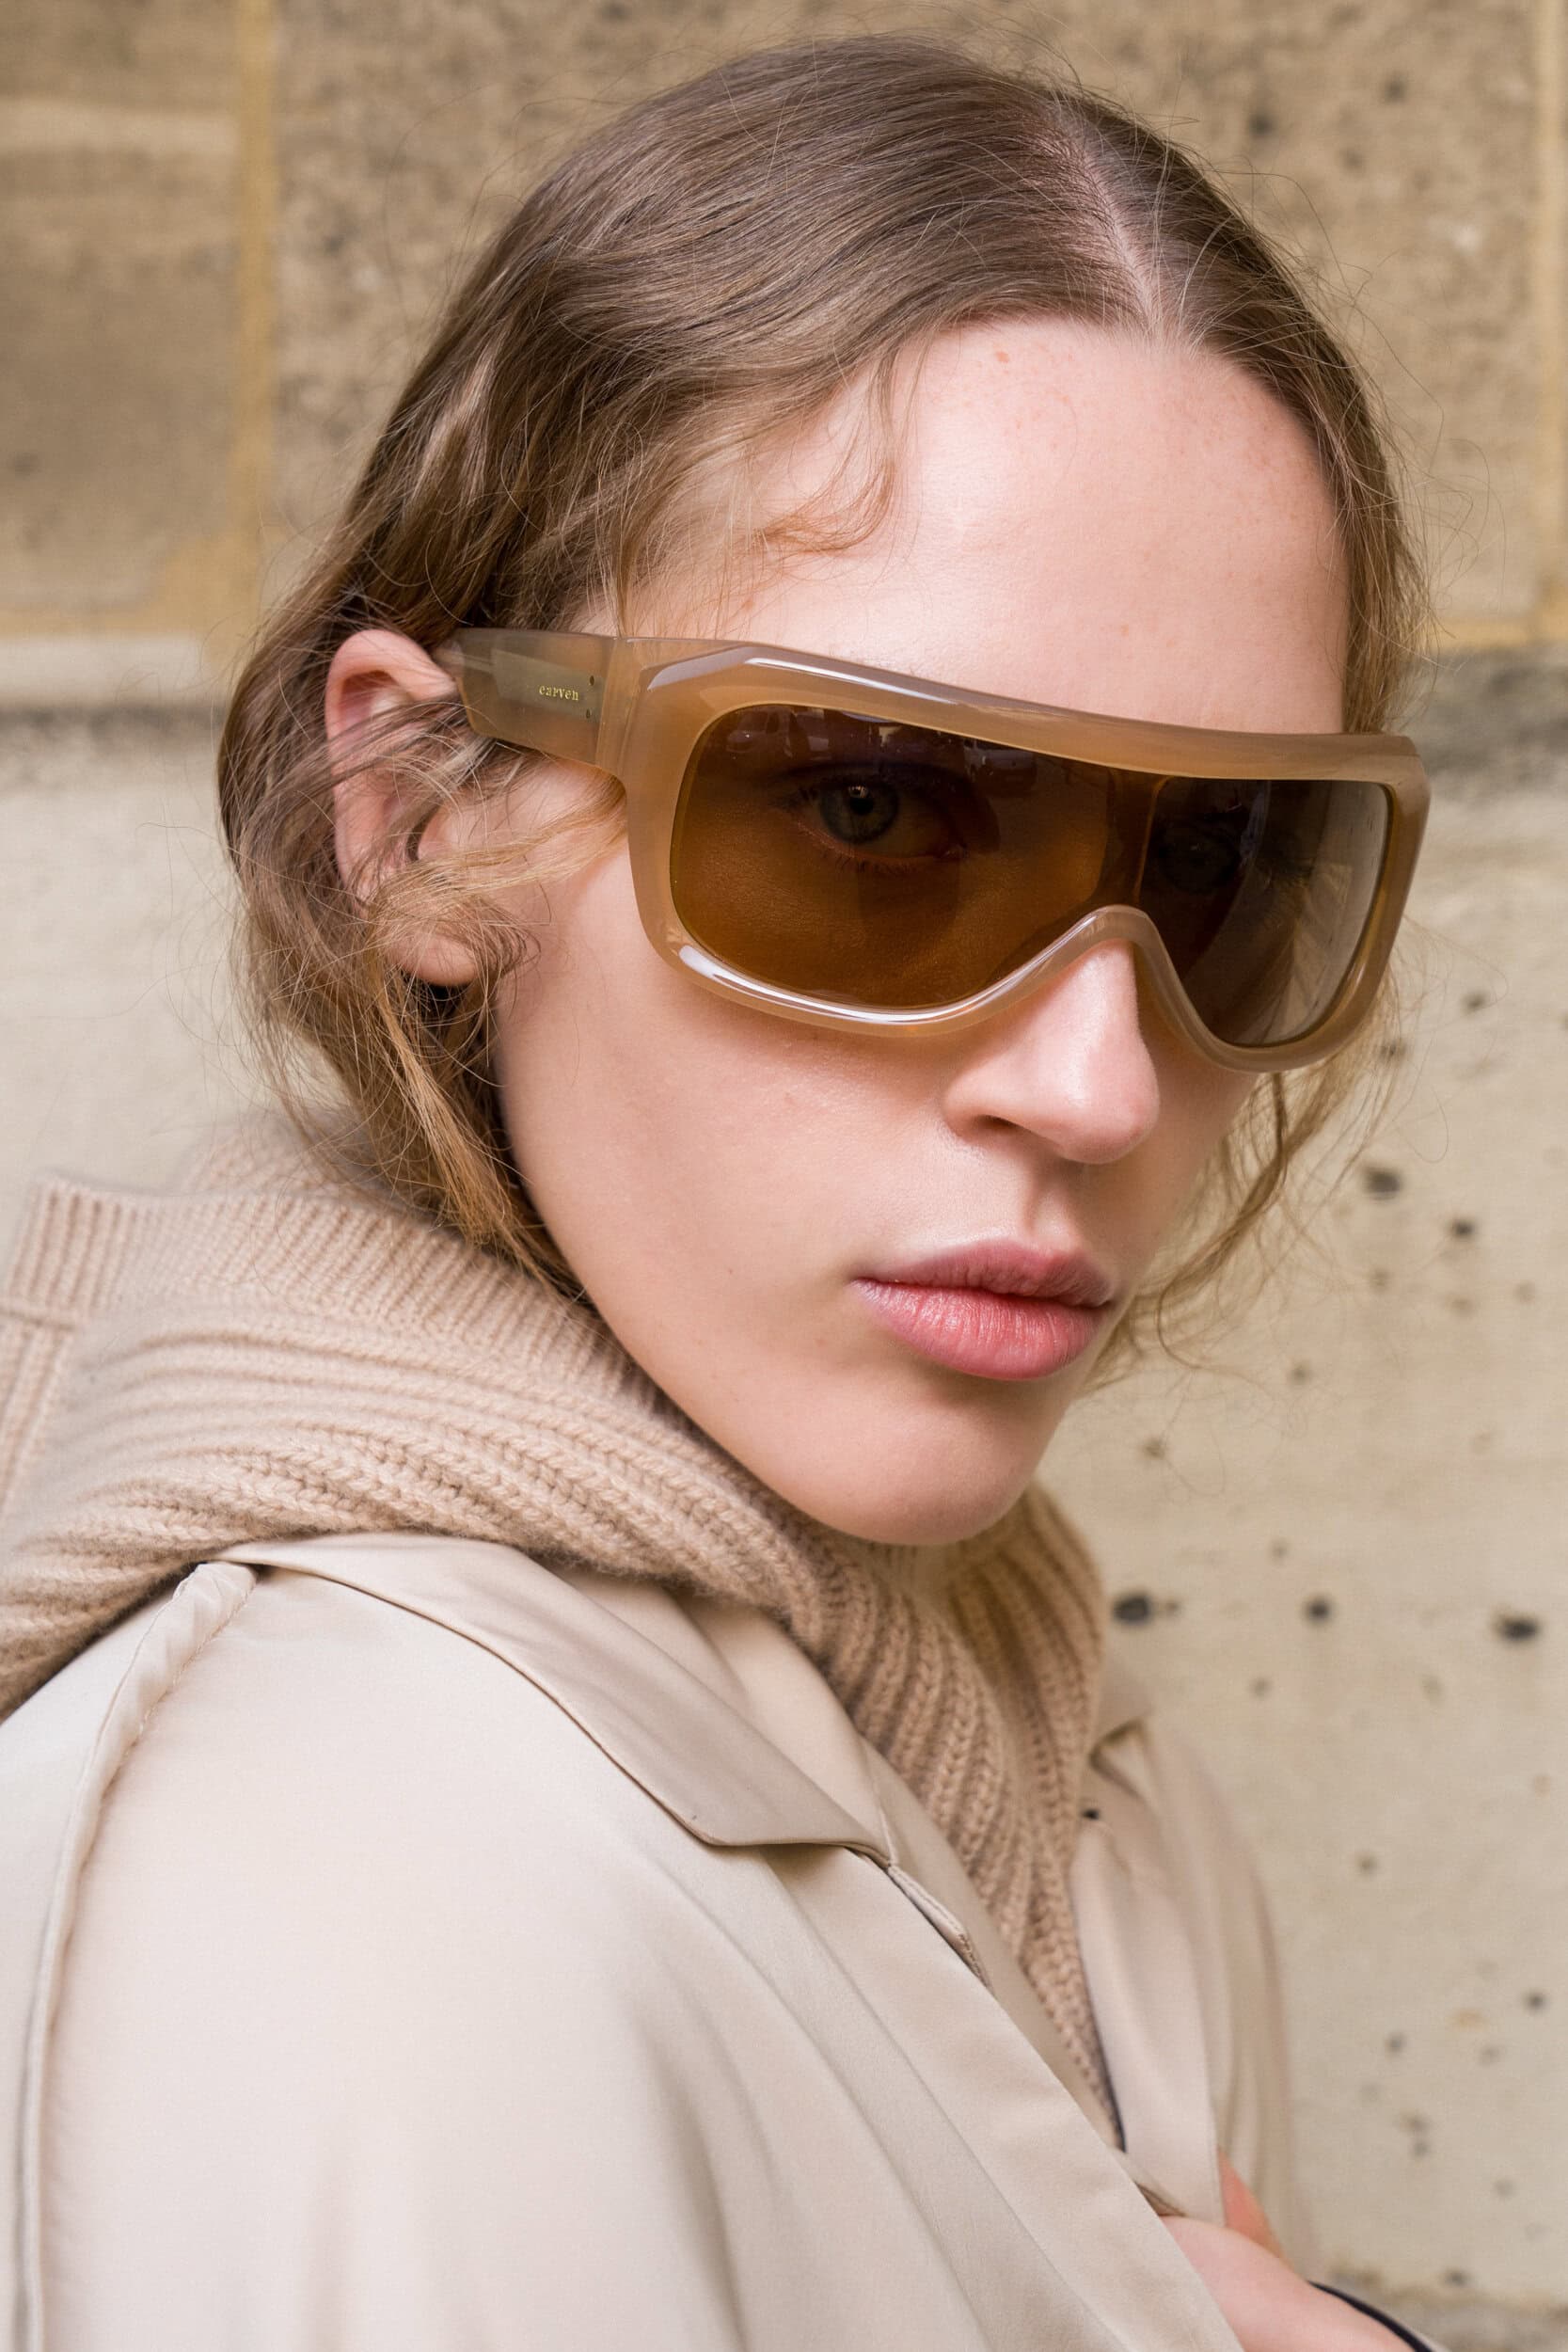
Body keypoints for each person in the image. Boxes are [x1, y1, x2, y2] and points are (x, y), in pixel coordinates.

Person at [0, 35, 1443, 2351]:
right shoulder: (350, 1868)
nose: (1096, 1081)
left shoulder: (1103, 1800)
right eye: (866, 810)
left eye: (1227, 861)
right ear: (421, 818)